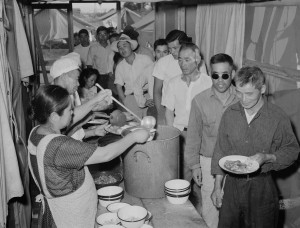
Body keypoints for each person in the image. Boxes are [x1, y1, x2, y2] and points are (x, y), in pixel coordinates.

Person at [28, 85, 150, 228]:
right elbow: (105, 154)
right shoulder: (58, 146)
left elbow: (68, 121)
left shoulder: (38, 132)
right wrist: (134, 136)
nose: (73, 113)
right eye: (69, 110)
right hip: (70, 217)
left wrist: (94, 114)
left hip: (63, 210)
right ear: (54, 116)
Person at [211, 66, 300, 228]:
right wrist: (217, 187)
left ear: (263, 89)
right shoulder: (229, 114)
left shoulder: (277, 117)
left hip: (262, 188)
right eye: (238, 92)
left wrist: (268, 157)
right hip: (231, 186)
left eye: (249, 94)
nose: (243, 99)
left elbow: (292, 151)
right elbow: (220, 150)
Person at [184, 53, 238, 228]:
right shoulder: (199, 101)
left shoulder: (243, 98)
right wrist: (194, 165)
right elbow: (193, 136)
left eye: (225, 75)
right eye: (215, 75)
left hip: (238, 162)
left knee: (235, 208)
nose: (220, 80)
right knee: (210, 208)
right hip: (209, 163)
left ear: (233, 74)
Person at [163, 43, 212, 179]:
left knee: (205, 174)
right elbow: (168, 112)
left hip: (202, 135)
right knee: (182, 175)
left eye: (187, 60)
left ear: (198, 60)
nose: (182, 64)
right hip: (180, 134)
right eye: (179, 59)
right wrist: (171, 136)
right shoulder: (173, 83)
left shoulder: (208, 83)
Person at [153, 29, 207, 124]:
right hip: (169, 111)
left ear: (184, 45)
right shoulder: (162, 62)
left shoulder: (198, 62)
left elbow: (204, 89)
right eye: (169, 49)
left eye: (175, 48)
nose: (172, 52)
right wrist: (161, 114)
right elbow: (157, 91)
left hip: (193, 111)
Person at [50, 57, 111, 140]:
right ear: (64, 77)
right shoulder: (52, 97)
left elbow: (71, 133)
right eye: (76, 79)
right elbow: (70, 120)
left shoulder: (67, 93)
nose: (78, 84)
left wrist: (93, 132)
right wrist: (96, 99)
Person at [111, 34, 153, 119]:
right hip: (131, 99)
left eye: (124, 46)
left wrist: (152, 97)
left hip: (147, 96)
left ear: (131, 46)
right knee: (135, 126)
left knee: (149, 124)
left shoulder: (145, 59)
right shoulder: (120, 66)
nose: (122, 49)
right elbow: (118, 87)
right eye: (119, 47)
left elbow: (153, 78)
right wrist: (125, 101)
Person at [133, 39, 169, 118]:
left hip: (170, 106)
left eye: (165, 52)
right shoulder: (150, 69)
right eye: (158, 52)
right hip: (155, 106)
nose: (162, 55)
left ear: (169, 53)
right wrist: (144, 102)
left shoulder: (173, 68)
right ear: (154, 53)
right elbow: (136, 84)